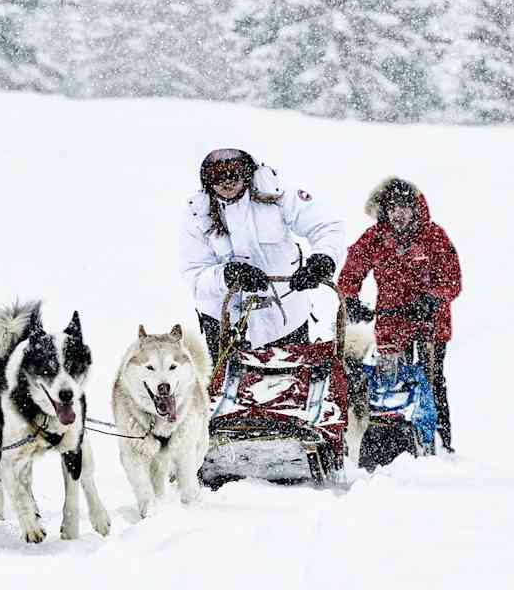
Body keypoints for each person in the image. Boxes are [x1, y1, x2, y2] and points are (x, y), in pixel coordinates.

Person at [180, 148, 346, 361]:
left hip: (285, 319)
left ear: (247, 173)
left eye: (233, 173)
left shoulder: (277, 195)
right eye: (217, 175)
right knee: (228, 390)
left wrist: (322, 260)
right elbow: (194, 274)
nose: (226, 182)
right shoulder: (197, 215)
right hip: (226, 324)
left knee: (291, 387)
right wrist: (227, 275)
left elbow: (327, 226)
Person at [337, 177, 462, 452]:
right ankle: (394, 437)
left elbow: (452, 279)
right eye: (393, 207)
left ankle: (439, 438)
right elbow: (352, 270)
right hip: (392, 320)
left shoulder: (433, 236)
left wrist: (433, 299)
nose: (399, 213)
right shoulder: (375, 237)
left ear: (416, 208)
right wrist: (350, 298)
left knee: (431, 377)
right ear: (385, 210)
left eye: (405, 207)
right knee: (391, 378)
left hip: (431, 322)